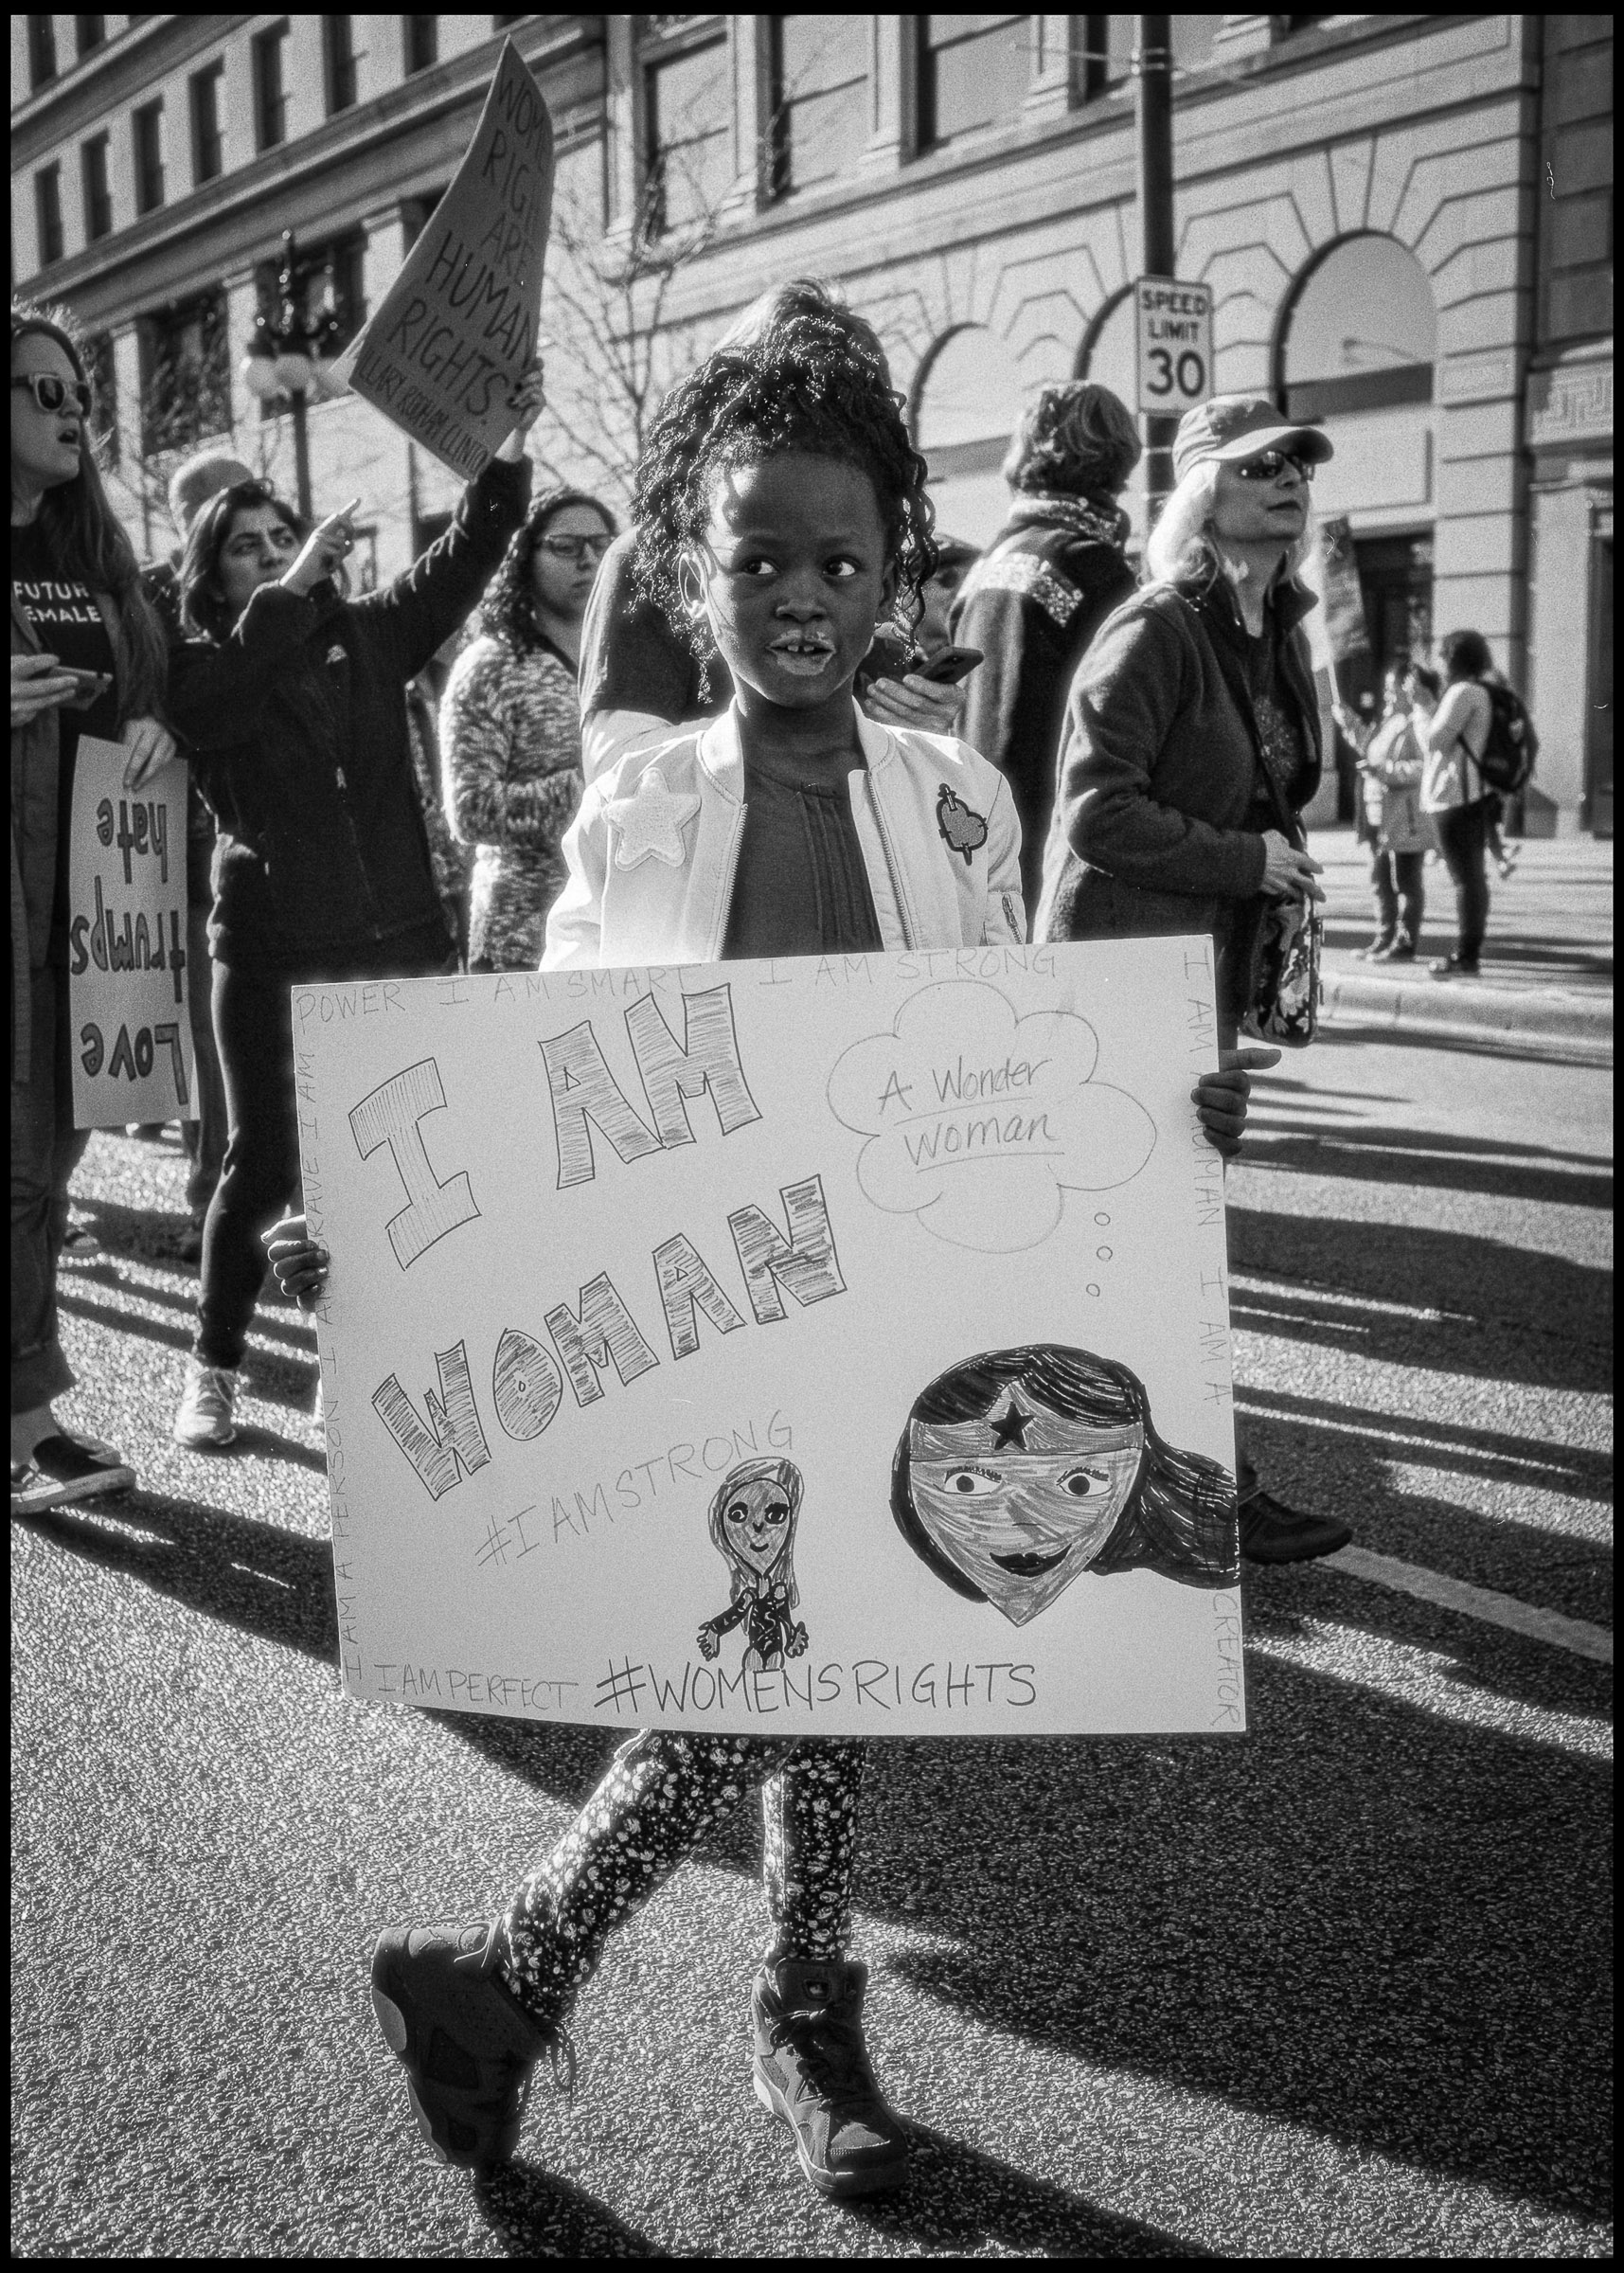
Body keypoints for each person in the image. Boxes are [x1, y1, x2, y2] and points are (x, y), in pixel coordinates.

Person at [268, 314, 1264, 2201]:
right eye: (753, 561)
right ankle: (712, 2003)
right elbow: (550, 1055)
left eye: (836, 561)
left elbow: (1020, 1047)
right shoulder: (638, 805)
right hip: (710, 1293)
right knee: (798, 1649)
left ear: (895, 567)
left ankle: (566, 1985)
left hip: (896, 1286)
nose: (797, 597)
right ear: (680, 570)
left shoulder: (953, 797)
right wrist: (413, 1237)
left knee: (832, 1647)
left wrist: (1161, 1125)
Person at [165, 360, 544, 1452]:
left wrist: (503, 451)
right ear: (216, 577)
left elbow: (467, 556)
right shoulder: (203, 672)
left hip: (399, 946)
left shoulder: (371, 636)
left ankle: (365, 1362)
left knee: (401, 1171)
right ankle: (216, 1365)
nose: (280, 552)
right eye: (251, 545)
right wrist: (287, 599)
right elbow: (221, 705)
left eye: (286, 534)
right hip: (277, 950)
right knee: (263, 1169)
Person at [1037, 391, 1352, 1568]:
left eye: (1301, 466)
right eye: (1262, 464)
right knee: (1141, 1246)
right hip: (1116, 982)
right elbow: (1091, 811)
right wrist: (1245, 859)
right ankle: (1198, 1491)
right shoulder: (1156, 628)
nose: (1289, 480)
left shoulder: (1275, 631)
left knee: (1156, 1243)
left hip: (1195, 979)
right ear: (1201, 491)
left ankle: (1149, 1484)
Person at [577, 277, 968, 786]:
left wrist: (918, 733)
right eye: (791, 400)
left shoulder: (869, 562)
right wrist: (800, 744)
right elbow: (618, 770)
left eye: (855, 408)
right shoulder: (649, 559)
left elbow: (900, 775)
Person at [11, 300, 173, 1512]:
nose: (73, 412)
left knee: (50, 1168)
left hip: (88, 898)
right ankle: (27, 1420)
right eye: (42, 392)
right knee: (18, 1172)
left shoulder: (91, 554)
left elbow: (147, 677)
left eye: (77, 394)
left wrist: (157, 719)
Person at [952, 381, 1141, 917]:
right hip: (1054, 848)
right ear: (1118, 457)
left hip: (975, 832)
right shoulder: (1094, 566)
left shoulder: (986, 566)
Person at [144, 448, 256, 1261]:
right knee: (210, 1053)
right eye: (218, 503)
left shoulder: (283, 574)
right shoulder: (158, 597)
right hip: (185, 861)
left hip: (265, 847)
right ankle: (208, 1209)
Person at [439, 486, 616, 971]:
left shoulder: (629, 661)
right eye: (566, 546)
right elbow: (470, 811)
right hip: (520, 939)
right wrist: (589, 794)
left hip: (618, 932)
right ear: (524, 556)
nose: (588, 559)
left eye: (601, 545)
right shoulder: (491, 666)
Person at [1340, 665, 1435, 962]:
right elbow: (1370, 750)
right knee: (1379, 880)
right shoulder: (1390, 721)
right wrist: (1350, 723)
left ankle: (1405, 943)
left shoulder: (1417, 724)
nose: (1388, 693)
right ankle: (1383, 938)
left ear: (1410, 688)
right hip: (1376, 816)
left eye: (1394, 686)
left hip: (1405, 818)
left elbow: (1424, 768)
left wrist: (1384, 772)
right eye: (1387, 687)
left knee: (1406, 881)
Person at [1420, 627, 1497, 979]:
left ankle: (1466, 957)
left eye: (1441, 654)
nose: (1437, 661)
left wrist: (1423, 708)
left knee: (1466, 878)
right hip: (1469, 795)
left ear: (1453, 657)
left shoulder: (1463, 692)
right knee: (1470, 876)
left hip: (1455, 796)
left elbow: (1435, 740)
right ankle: (1469, 953)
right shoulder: (1478, 691)